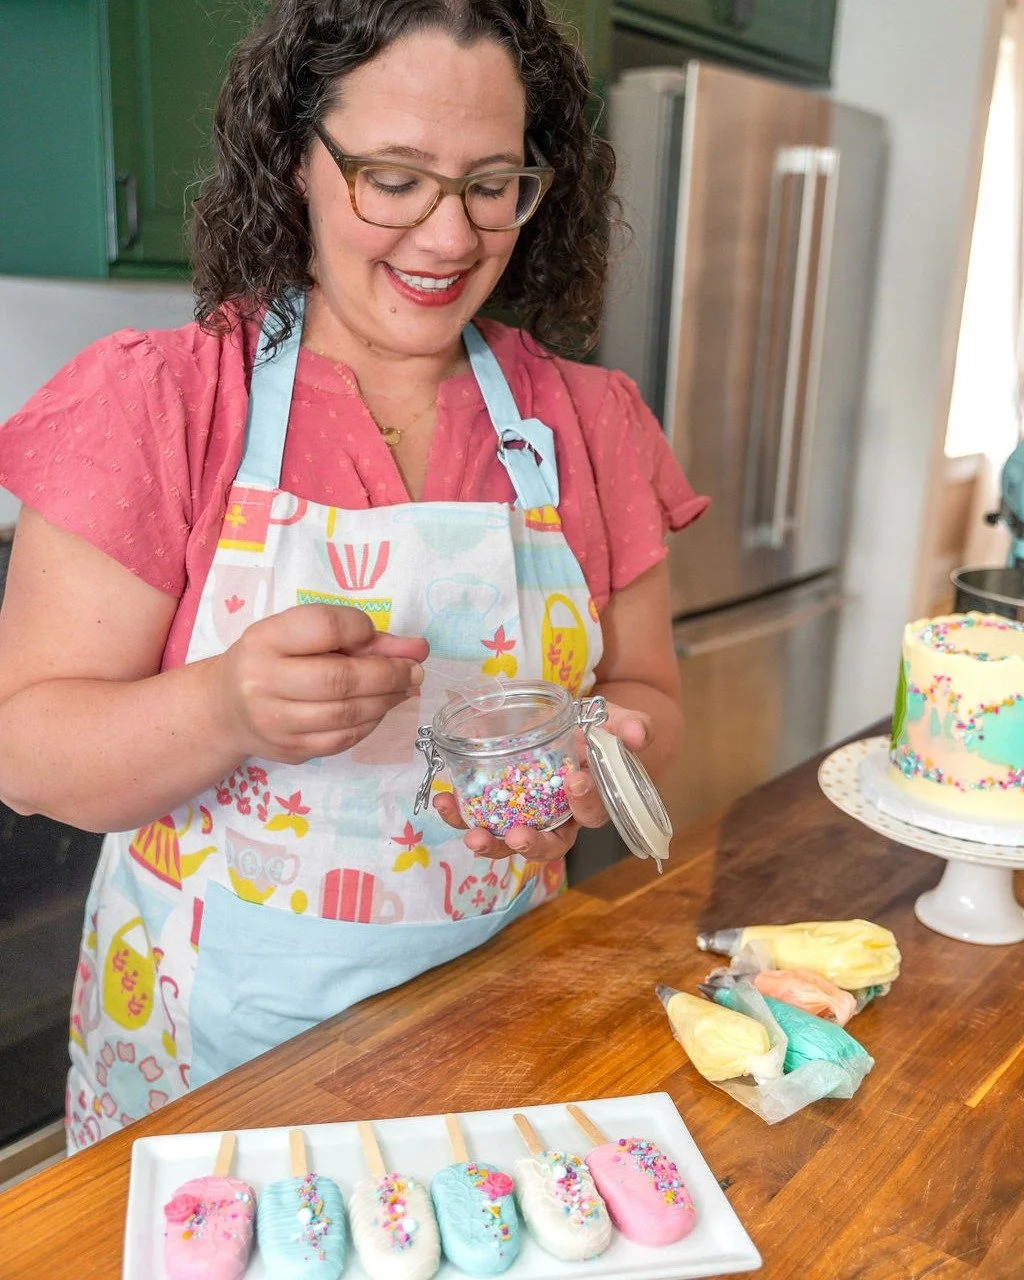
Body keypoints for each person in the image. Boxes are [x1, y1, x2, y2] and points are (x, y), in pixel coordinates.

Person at [0, 0, 708, 1149]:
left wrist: (597, 760)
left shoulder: (588, 423)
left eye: (491, 183)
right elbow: (26, 749)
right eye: (394, 177)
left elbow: (653, 701)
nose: (448, 237)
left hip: (497, 1024)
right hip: (207, 1063)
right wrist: (223, 705)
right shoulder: (159, 404)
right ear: (295, 161)